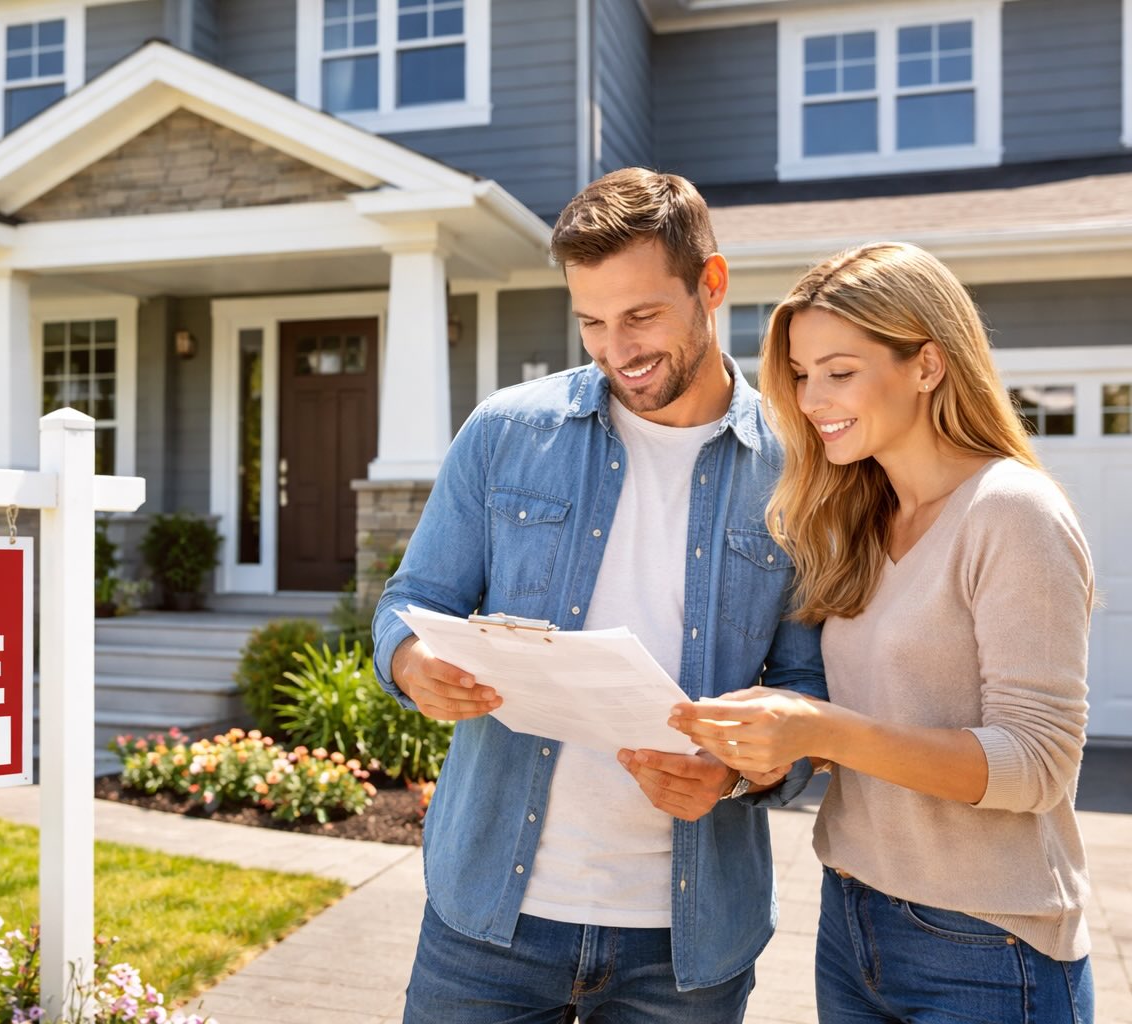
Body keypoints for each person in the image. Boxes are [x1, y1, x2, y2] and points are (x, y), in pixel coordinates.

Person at [370, 167, 827, 1023]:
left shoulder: (798, 472)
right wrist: (412, 659)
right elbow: (409, 598)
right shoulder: (505, 433)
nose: (619, 348)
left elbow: (811, 696)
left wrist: (735, 777)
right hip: (486, 927)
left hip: (685, 946)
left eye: (642, 315)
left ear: (711, 285)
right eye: (592, 322)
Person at [670, 241, 1096, 1023]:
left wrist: (819, 728)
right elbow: (882, 720)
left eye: (840, 371)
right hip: (854, 921)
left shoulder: (1011, 513)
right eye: (801, 376)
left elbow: (1039, 765)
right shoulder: (862, 519)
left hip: (989, 947)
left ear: (927, 364)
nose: (810, 399)